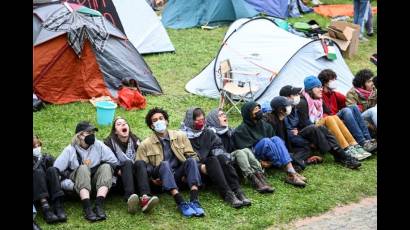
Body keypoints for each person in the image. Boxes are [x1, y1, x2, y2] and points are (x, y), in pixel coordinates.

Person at [136, 107, 205, 217]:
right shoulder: (145, 144)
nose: (159, 121)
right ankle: (180, 202)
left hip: (178, 175)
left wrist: (188, 171)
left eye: (161, 118)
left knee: (191, 161)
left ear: (166, 121)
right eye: (155, 120)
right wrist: (152, 179)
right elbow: (142, 168)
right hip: (159, 179)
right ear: (151, 126)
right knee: (164, 164)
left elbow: (192, 155)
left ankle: (194, 200)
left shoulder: (180, 136)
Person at [181, 108, 251, 208]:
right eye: (198, 120)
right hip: (197, 171)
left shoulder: (208, 132)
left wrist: (219, 156)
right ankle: (227, 193)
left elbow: (217, 146)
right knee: (212, 160)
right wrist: (200, 166)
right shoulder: (182, 136)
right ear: (191, 121)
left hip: (213, 167)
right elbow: (185, 159)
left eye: (203, 120)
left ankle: (237, 190)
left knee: (221, 157)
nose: (201, 123)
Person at [279, 85, 361, 169]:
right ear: (287, 97)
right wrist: (294, 133)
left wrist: (300, 130)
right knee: (313, 128)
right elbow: (283, 133)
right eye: (295, 94)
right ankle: (341, 156)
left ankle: (341, 156)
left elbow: (305, 122)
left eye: (298, 94)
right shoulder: (282, 110)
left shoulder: (294, 108)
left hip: (299, 133)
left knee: (320, 128)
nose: (298, 96)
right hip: (292, 139)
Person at [54, 121, 119, 222]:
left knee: (106, 166)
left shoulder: (98, 145)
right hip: (78, 186)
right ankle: (87, 207)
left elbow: (114, 161)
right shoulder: (70, 150)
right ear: (79, 135)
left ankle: (98, 205)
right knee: (83, 168)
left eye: (93, 132)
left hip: (96, 184)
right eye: (89, 133)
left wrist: (108, 175)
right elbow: (56, 171)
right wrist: (71, 186)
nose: (92, 135)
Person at [233, 101, 307, 187]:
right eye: (255, 109)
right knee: (266, 141)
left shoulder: (265, 125)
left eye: (259, 108)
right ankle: (289, 171)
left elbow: (276, 144)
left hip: (270, 155)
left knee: (276, 139)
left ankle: (292, 173)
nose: (259, 111)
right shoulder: (241, 130)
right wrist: (260, 162)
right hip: (255, 155)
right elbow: (245, 150)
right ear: (248, 113)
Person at [297, 75, 371, 161]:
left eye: (321, 87)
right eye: (317, 87)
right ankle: (346, 148)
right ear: (310, 89)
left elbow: (330, 113)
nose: (321, 89)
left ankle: (354, 145)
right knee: (329, 118)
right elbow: (304, 124)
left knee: (333, 117)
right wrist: (324, 120)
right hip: (308, 131)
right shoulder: (302, 102)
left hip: (318, 126)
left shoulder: (319, 100)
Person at [205, 108, 274, 193]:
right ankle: (252, 179)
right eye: (221, 115)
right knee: (239, 152)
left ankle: (260, 177)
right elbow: (216, 153)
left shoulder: (228, 130)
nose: (224, 116)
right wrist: (232, 155)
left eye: (224, 114)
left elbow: (238, 144)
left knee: (246, 150)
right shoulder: (210, 134)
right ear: (214, 119)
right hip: (221, 160)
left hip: (233, 156)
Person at [104, 117, 159, 214]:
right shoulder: (108, 143)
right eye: (119, 124)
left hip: (137, 177)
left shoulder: (135, 140)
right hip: (120, 179)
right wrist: (117, 170)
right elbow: (107, 160)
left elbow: (145, 158)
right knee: (127, 162)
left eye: (125, 123)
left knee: (140, 162)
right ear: (115, 131)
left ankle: (145, 197)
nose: (123, 125)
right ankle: (130, 198)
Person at [318, 69, 376, 154]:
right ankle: (362, 142)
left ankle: (368, 140)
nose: (335, 82)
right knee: (346, 111)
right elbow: (322, 114)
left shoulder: (334, 94)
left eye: (335, 79)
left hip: (336, 116)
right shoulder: (320, 95)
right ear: (325, 82)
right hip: (329, 119)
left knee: (352, 107)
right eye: (332, 80)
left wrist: (357, 107)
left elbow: (349, 103)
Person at [264, 96, 313, 170]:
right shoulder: (270, 121)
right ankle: (299, 163)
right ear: (281, 110)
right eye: (288, 106)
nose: (290, 107)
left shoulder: (282, 119)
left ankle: (297, 161)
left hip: (286, 148)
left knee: (306, 149)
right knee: (291, 155)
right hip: (278, 151)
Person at [33, 135, 67, 224]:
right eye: (34, 146)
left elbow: (60, 169)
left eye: (38, 145)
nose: (37, 148)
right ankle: (46, 209)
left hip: (50, 190)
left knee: (52, 169)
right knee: (38, 172)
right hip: (37, 193)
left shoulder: (46, 157)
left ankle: (58, 206)